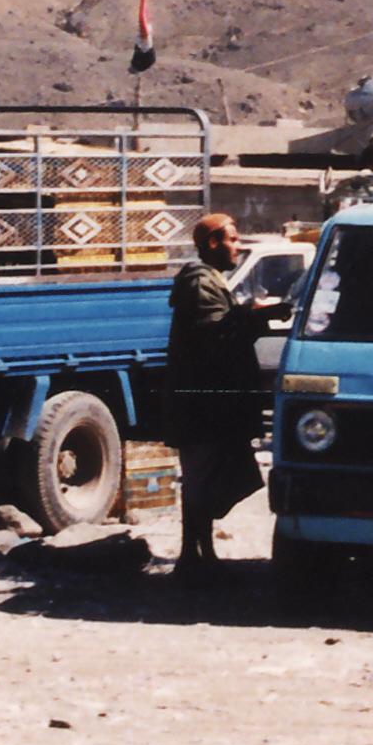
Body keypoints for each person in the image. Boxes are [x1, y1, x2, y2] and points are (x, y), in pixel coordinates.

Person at [163, 212, 265, 580]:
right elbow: (215, 336)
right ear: (212, 243)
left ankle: (201, 555)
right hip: (201, 407)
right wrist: (252, 316)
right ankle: (193, 559)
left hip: (207, 405)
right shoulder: (200, 283)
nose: (238, 246)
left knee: (205, 481)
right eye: (232, 240)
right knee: (200, 481)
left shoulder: (210, 280)